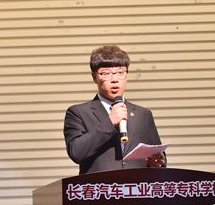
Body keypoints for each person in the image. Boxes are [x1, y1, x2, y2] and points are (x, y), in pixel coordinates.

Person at [64, 45, 166, 174]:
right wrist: (109, 122)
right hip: (100, 185)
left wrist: (158, 163)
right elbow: (76, 153)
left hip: (137, 184)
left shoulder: (143, 114)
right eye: (106, 73)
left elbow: (158, 155)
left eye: (120, 72)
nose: (115, 79)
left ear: (127, 75)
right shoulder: (78, 113)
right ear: (94, 77)